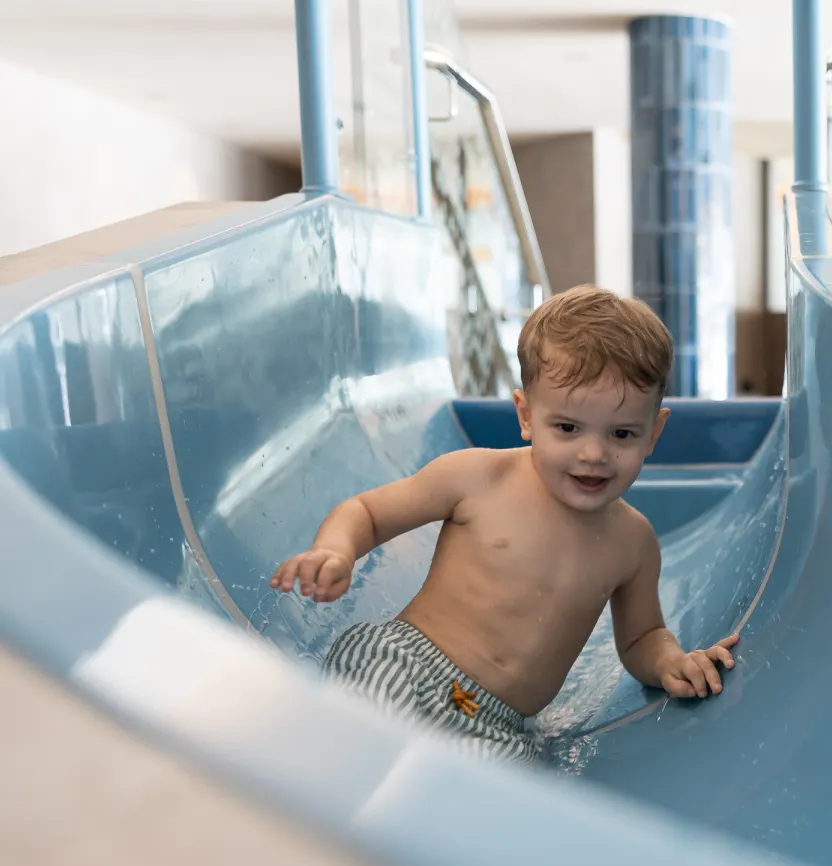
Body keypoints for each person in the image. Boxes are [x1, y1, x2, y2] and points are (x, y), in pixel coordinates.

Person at [270, 286, 738, 759]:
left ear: (653, 432)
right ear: (526, 415)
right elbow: (368, 513)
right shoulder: (479, 477)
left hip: (495, 723)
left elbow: (641, 638)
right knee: (370, 720)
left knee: (511, 775)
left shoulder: (632, 543)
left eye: (621, 434)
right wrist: (335, 551)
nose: (594, 453)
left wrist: (670, 662)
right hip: (407, 664)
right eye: (567, 428)